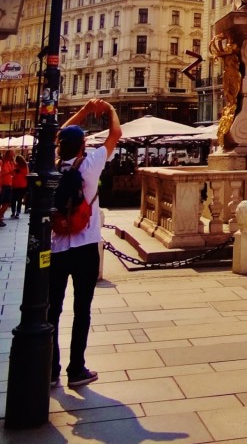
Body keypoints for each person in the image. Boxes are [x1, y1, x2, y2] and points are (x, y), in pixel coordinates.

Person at [48, 97, 121, 390]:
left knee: (52, 310)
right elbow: (115, 134)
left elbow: (60, 132)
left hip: (56, 247)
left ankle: (50, 369)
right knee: (82, 309)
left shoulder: (53, 166)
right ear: (82, 146)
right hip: (86, 245)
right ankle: (76, 369)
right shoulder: (90, 164)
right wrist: (108, 110)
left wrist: (83, 112)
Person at [10, 154, 28, 218]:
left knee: (13, 200)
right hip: (23, 185)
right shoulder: (25, 166)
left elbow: (12, 174)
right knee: (19, 200)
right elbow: (26, 175)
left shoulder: (16, 166)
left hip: (15, 185)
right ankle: (17, 212)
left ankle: (13, 212)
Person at [0, 149, 14, 225]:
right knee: (2, 202)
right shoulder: (1, 162)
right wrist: (9, 172)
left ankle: (0, 217)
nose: (12, 156)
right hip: (3, 185)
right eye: (11, 155)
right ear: (7, 155)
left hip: (9, 184)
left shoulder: (9, 163)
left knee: (7, 202)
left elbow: (11, 173)